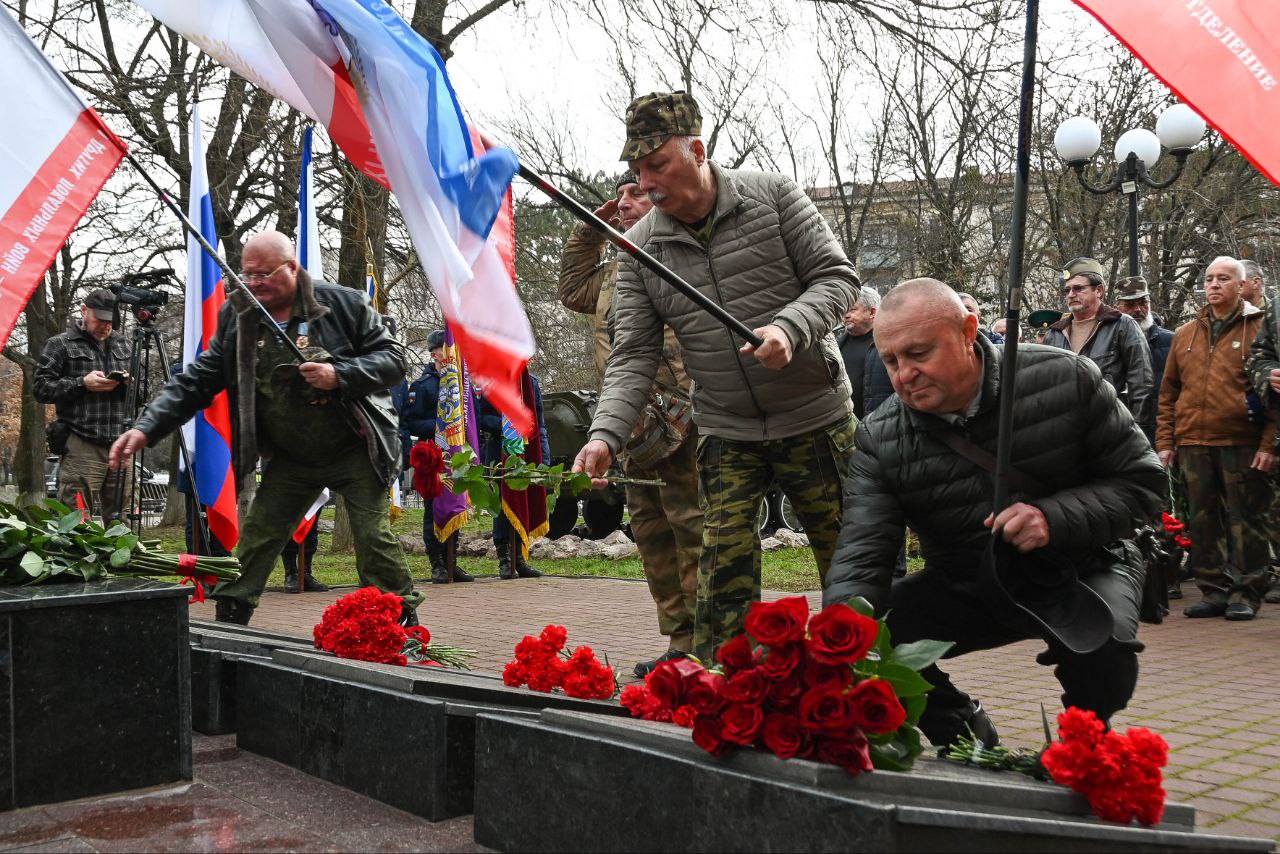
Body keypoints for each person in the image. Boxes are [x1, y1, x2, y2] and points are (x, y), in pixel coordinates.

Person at [572, 90, 859, 663]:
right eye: (637, 170)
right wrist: (604, 435)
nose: (647, 183)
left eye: (658, 165)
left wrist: (790, 328)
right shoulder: (640, 249)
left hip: (815, 417)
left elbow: (838, 279)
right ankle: (727, 693)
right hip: (727, 431)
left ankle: (866, 686)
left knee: (852, 567)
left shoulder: (774, 197)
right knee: (721, 582)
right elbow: (632, 355)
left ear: (698, 151)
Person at [824, 278, 1163, 751]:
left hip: (1084, 562)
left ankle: (1080, 746)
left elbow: (1143, 484)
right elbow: (862, 553)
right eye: (891, 361)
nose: (905, 375)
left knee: (1104, 649)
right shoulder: (881, 438)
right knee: (871, 637)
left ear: (968, 331)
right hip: (971, 579)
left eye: (919, 354)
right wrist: (837, 638)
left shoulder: (1067, 378)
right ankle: (964, 735)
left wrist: (1052, 518)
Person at [109, 230, 422, 626]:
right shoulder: (238, 315)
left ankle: (397, 619)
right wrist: (146, 427)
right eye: (247, 274)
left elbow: (394, 359)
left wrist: (339, 374)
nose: (253, 283)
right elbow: (199, 378)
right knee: (258, 537)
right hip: (291, 455)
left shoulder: (344, 303)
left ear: (291, 267)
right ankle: (231, 616)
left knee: (373, 538)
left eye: (263, 274)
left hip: (356, 447)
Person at [558, 171, 703, 676]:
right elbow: (571, 289)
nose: (622, 202)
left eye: (635, 193)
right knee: (651, 532)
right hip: (629, 424)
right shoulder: (614, 269)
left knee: (693, 528)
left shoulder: (681, 256)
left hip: (683, 421)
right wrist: (589, 230)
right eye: (618, 194)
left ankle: (709, 642)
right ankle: (680, 641)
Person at [1158, 256, 1276, 621]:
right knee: (1202, 522)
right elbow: (1168, 392)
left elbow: (1275, 398)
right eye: (1209, 278)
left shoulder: (1260, 329)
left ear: (1241, 286)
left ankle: (1246, 592)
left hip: (1243, 442)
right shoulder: (1185, 333)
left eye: (1223, 278)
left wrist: (1269, 445)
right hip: (1194, 442)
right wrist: (1166, 441)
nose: (1213, 284)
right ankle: (1214, 590)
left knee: (1246, 521)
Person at [34, 288, 133, 522]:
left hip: (121, 444)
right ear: (84, 311)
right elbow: (40, 389)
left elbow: (144, 394)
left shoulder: (126, 345)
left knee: (124, 522)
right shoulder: (60, 344)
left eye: (110, 321)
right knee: (76, 522)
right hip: (82, 444)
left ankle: (122, 550)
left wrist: (129, 384)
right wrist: (82, 384)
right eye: (100, 319)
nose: (106, 326)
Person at [1043, 258, 1154, 431]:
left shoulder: (1122, 325)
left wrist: (1135, 432)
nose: (1071, 294)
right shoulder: (1054, 334)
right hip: (1065, 434)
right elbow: (1046, 390)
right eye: (1067, 290)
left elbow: (1142, 385)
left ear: (1099, 290)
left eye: (1078, 288)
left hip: (1110, 432)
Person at [400, 330, 473, 584]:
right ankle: (437, 563)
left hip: (456, 456)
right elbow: (411, 422)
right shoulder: (422, 386)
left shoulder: (461, 385)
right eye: (446, 348)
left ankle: (452, 560)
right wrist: (442, 424)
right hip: (433, 457)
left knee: (456, 505)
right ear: (435, 354)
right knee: (433, 510)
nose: (452, 352)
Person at [476, 374, 551, 580]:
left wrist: (544, 458)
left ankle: (519, 558)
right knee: (503, 505)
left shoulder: (530, 382)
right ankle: (505, 559)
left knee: (522, 502)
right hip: (499, 453)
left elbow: (539, 424)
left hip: (525, 454)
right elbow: (481, 416)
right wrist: (506, 424)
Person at [1111, 275, 1172, 444]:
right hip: (1121, 434)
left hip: (1161, 435)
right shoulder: (1108, 344)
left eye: (1143, 303)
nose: (1138, 309)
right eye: (1130, 305)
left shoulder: (1172, 342)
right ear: (1116, 307)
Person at [837, 286, 879, 421]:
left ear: (872, 312)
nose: (846, 315)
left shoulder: (887, 344)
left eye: (852, 309)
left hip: (875, 424)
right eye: (844, 309)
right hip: (842, 424)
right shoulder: (836, 345)